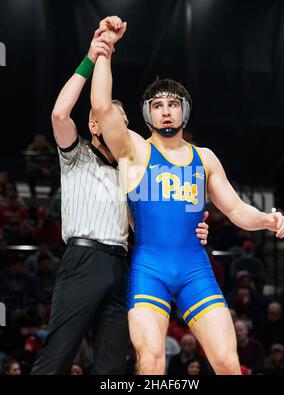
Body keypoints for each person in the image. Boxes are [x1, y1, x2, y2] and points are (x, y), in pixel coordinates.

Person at [91, 15, 284, 375]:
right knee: (151, 363)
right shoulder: (135, 149)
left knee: (228, 363)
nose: (166, 111)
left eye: (173, 104)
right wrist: (105, 49)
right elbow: (103, 109)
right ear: (148, 114)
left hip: (195, 269)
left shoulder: (205, 158)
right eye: (158, 105)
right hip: (150, 268)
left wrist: (267, 219)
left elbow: (236, 210)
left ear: (185, 109)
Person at [31, 21, 209, 375]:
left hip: (123, 264)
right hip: (84, 258)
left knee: (112, 366)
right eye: (112, 120)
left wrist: (193, 233)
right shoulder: (75, 154)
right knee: (58, 357)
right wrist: (92, 57)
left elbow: (155, 221)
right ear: (97, 125)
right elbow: (59, 114)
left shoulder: (135, 173)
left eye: (125, 122)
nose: (119, 128)